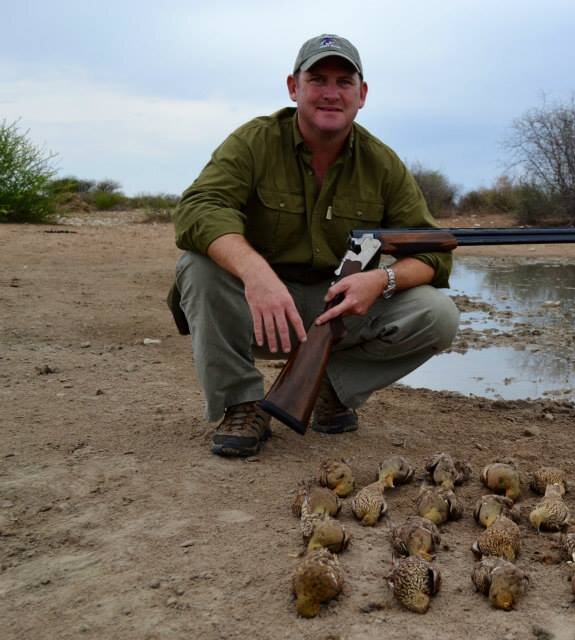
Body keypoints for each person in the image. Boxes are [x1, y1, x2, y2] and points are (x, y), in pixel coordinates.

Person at [169, 34, 459, 457]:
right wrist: (255, 273)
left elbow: (434, 251)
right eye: (317, 79)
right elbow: (199, 209)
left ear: (362, 94)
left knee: (439, 314)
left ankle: (327, 389)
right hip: (261, 308)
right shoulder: (254, 141)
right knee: (196, 265)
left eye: (344, 82)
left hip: (339, 312)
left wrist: (382, 279)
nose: (330, 93)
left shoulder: (382, 163)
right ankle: (241, 404)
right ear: (293, 87)